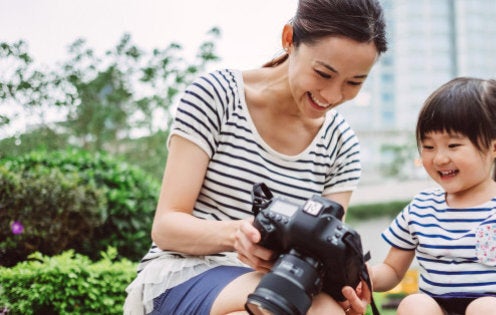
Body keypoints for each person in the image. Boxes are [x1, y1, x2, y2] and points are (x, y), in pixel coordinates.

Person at [123, 0, 388, 314]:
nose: (332, 96)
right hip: (185, 274)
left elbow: (324, 248)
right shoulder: (217, 96)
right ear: (289, 39)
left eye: (354, 82)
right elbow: (166, 227)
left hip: (280, 288)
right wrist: (237, 234)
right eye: (323, 73)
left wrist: (344, 292)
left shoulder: (341, 144)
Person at [368, 78, 496, 315]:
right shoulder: (420, 208)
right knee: (413, 304)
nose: (439, 158)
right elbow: (392, 270)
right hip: (438, 306)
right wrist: (368, 276)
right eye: (428, 147)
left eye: (453, 145)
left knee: (486, 309)